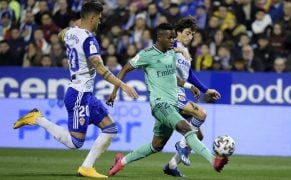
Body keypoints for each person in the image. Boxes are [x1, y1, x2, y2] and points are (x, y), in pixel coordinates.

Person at [13, 2, 138, 178]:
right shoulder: (89, 40)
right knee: (75, 143)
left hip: (85, 93)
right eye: (99, 19)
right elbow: (101, 70)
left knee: (110, 129)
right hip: (79, 94)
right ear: (92, 18)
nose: (100, 22)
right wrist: (122, 85)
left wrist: (73, 27)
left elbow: (60, 33)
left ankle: (86, 167)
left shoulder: (71, 33)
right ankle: (37, 118)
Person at [106, 23, 228, 177]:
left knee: (157, 145)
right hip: (160, 104)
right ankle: (213, 160)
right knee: (188, 129)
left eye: (173, 37)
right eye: (169, 37)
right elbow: (124, 68)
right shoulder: (146, 54)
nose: (172, 40)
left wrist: (190, 86)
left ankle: (121, 161)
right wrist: (115, 91)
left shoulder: (171, 53)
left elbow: (173, 77)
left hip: (172, 105)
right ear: (159, 37)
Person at [163, 16, 222, 177]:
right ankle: (182, 146)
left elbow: (189, 74)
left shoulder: (186, 51)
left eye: (192, 35)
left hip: (180, 94)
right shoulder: (171, 45)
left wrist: (206, 89)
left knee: (198, 136)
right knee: (201, 114)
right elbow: (162, 57)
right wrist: (178, 49)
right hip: (170, 94)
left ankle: (172, 165)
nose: (190, 37)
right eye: (187, 33)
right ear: (178, 32)